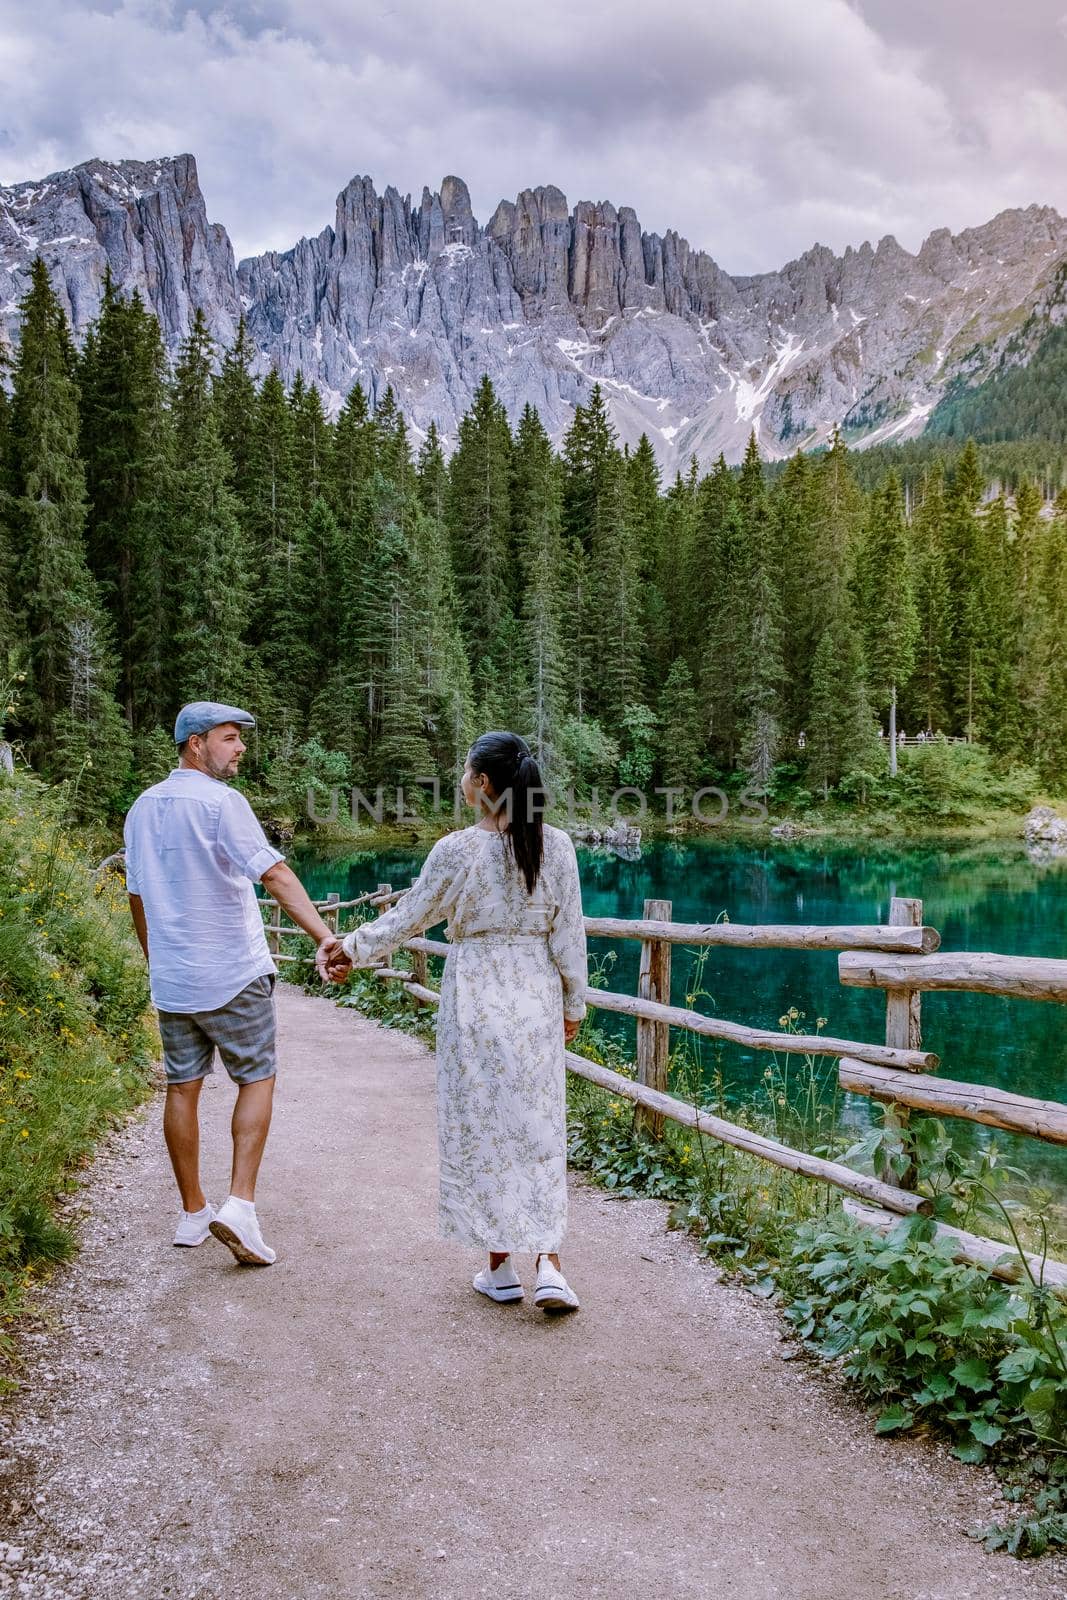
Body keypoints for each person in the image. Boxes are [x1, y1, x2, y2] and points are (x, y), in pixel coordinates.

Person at [323, 731, 588, 1313]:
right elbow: (570, 937)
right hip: (534, 993)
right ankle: (550, 1264)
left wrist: (349, 947)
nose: (460, 780)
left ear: (483, 784)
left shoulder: (457, 851)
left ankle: (501, 1269)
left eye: (465, 771)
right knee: (539, 1125)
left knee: (481, 1126)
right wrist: (574, 1005)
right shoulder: (557, 847)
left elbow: (409, 916)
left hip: (475, 994)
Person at [124, 702, 346, 1266]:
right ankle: (239, 1206)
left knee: (183, 1087)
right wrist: (325, 937)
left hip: (173, 980)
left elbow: (137, 895)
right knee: (257, 1077)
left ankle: (193, 1211)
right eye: (228, 738)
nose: (240, 748)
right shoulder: (224, 803)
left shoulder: (142, 807)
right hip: (231, 973)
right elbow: (272, 872)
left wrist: (158, 960)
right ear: (195, 744)